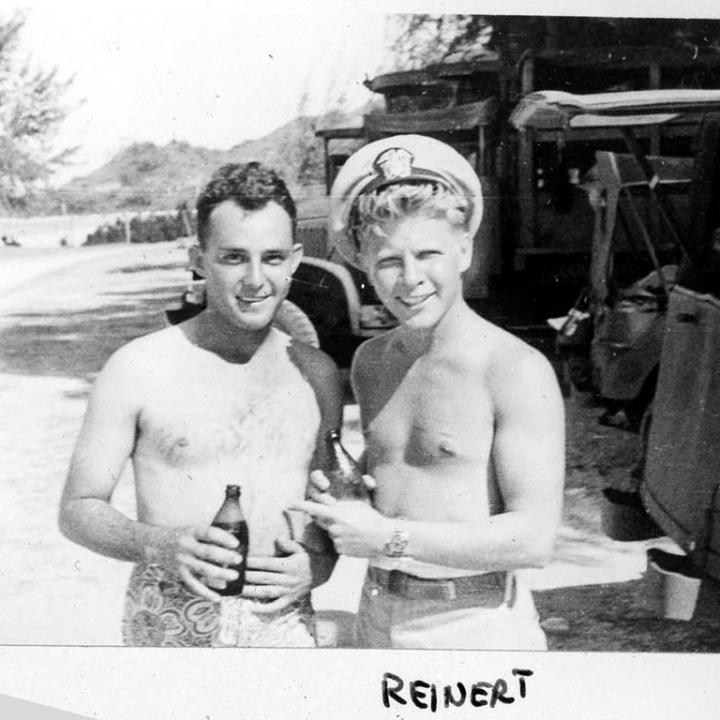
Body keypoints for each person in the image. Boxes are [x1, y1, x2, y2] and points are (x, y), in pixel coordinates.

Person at [292, 135, 565, 650]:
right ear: (364, 267)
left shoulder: (515, 369)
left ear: (464, 250)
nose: (411, 279)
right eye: (390, 260)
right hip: (377, 611)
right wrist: (347, 502)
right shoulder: (372, 363)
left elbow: (534, 539)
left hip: (476, 626)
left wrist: (385, 538)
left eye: (429, 253)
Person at [59, 162, 341, 647]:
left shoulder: (315, 373)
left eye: (272, 258)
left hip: (284, 628)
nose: (255, 279)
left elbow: (325, 512)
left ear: (295, 259)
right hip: (169, 622)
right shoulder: (138, 367)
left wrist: (316, 565)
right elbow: (78, 509)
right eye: (233, 258)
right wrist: (155, 543)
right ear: (198, 257)